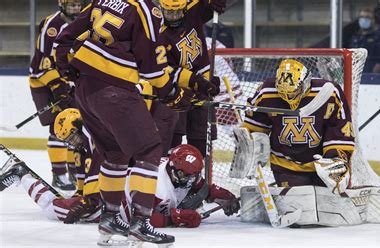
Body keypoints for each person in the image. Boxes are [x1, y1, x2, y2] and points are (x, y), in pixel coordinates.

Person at [53, 0, 202, 245]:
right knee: (149, 149)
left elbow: (64, 37)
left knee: (116, 153)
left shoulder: (104, 0)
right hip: (114, 90)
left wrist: (67, 69)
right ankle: (140, 223)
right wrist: (171, 94)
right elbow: (152, 67)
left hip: (85, 90)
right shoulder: (146, 9)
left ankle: (109, 218)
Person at [0, 141, 239, 231]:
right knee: (54, 209)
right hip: (110, 203)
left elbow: (201, 186)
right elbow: (146, 219)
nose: (189, 181)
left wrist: (223, 196)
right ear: (172, 169)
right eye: (184, 176)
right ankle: (21, 174)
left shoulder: (182, 171)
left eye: (192, 176)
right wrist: (178, 217)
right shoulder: (156, 181)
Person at [239, 59, 355, 192]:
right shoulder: (266, 92)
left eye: (294, 92)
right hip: (284, 164)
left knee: (327, 206)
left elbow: (340, 127)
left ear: (306, 82)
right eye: (284, 92)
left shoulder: (329, 92)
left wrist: (334, 157)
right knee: (298, 207)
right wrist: (249, 143)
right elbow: (255, 126)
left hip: (322, 164)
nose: (289, 98)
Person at [154, 0, 226, 156]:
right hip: (176, 90)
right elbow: (165, 69)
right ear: (161, 9)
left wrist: (216, 3)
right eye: (168, 12)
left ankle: (197, 177)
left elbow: (210, 5)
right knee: (172, 139)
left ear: (184, 9)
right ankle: (166, 177)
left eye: (177, 12)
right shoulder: (156, 31)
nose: (173, 17)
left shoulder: (193, 10)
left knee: (201, 139)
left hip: (201, 84)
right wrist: (197, 82)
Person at [28, 0, 85, 191]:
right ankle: (59, 175)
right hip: (44, 81)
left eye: (78, 5)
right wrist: (58, 87)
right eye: (72, 6)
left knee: (76, 123)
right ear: (62, 6)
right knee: (57, 125)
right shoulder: (53, 26)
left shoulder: (84, 21)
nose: (76, 9)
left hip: (66, 80)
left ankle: (73, 171)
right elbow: (44, 64)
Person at [347, 7, 380, 73]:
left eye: (367, 17)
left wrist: (372, 75)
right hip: (356, 74)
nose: (364, 19)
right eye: (362, 17)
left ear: (373, 19)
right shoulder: (356, 37)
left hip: (373, 76)